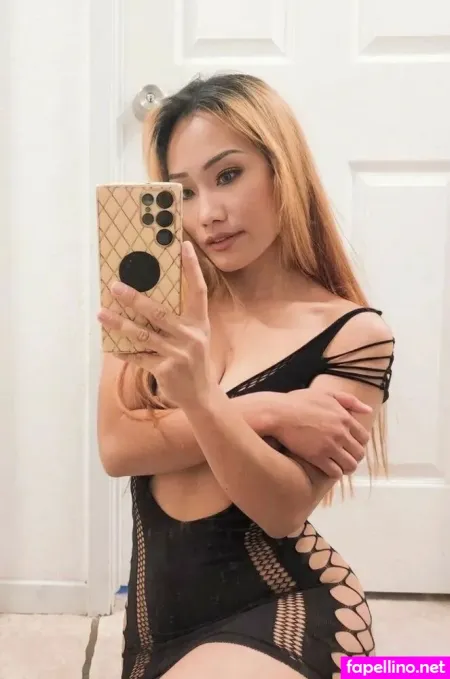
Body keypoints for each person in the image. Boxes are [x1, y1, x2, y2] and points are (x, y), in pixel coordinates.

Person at [97, 73, 395, 679]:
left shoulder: (352, 333)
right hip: (153, 634)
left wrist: (202, 397)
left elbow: (282, 510)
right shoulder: (156, 301)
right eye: (183, 192)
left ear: (282, 169)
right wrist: (268, 411)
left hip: (285, 609)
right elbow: (119, 448)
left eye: (229, 175)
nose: (208, 213)